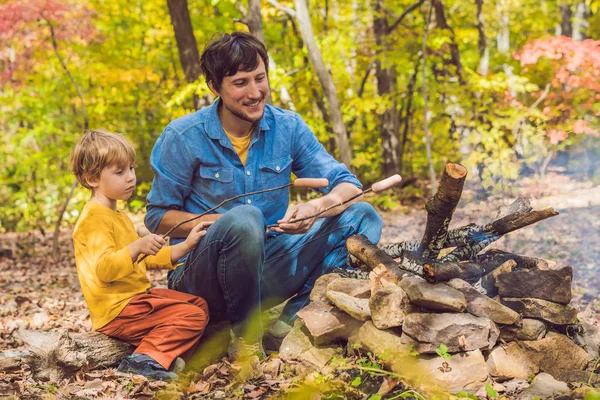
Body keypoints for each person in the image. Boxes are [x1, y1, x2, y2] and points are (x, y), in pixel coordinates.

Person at [145, 32, 383, 358]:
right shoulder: (183, 136)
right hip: (201, 279)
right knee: (246, 218)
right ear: (214, 87)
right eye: (240, 83)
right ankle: (245, 340)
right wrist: (228, 225)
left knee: (363, 216)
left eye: (260, 78)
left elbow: (349, 184)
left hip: (266, 269)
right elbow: (157, 217)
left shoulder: (288, 127)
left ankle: (291, 325)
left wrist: (318, 205)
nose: (255, 92)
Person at [70, 130, 212, 380]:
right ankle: (143, 361)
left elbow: (147, 257)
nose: (130, 178)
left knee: (197, 304)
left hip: (135, 301)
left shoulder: (119, 216)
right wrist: (136, 247)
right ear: (92, 178)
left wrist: (187, 244)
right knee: (192, 315)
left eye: (131, 169)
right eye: (119, 172)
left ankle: (166, 359)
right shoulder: (93, 219)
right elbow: (104, 270)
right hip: (118, 310)